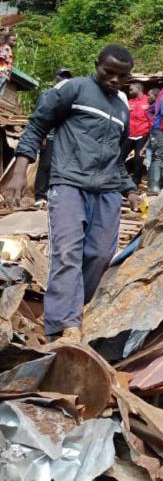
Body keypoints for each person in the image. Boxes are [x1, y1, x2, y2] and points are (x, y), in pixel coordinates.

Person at [0, 45, 142, 343]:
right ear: (96, 64)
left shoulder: (122, 107)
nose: (115, 80)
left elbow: (117, 157)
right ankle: (60, 329)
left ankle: (75, 313)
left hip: (107, 191)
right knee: (67, 253)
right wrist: (18, 172)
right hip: (68, 183)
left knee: (101, 255)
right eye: (109, 72)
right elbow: (38, 125)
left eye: (122, 76)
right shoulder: (74, 90)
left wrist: (129, 191)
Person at [33, 69, 73, 206]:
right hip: (49, 136)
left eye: (66, 76)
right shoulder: (47, 94)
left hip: (62, 139)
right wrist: (41, 136)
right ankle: (39, 196)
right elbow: (39, 117)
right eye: (61, 76)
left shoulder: (69, 96)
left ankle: (51, 194)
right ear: (55, 78)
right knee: (45, 165)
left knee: (58, 166)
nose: (63, 78)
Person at [124, 82, 151, 188]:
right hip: (130, 134)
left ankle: (136, 181)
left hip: (142, 134)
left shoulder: (148, 101)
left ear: (139, 89)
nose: (129, 92)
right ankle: (120, 178)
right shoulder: (129, 102)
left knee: (138, 159)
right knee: (120, 156)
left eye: (131, 89)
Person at [0, 32, 16, 98]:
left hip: (5, 74)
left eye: (15, 41)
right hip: (2, 73)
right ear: (7, 40)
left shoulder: (7, 48)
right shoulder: (6, 47)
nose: (14, 42)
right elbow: (2, 57)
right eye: (13, 40)